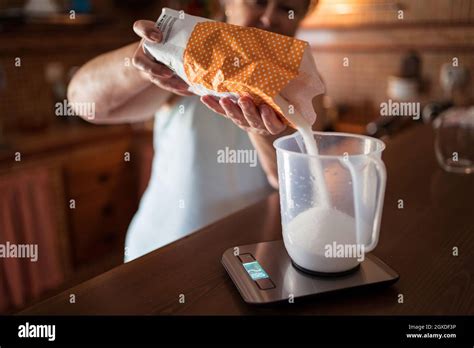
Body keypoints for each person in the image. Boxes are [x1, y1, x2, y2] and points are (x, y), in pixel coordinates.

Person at [67, 0, 323, 262]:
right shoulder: (187, 59)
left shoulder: (302, 86)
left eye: (285, 8)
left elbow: (295, 184)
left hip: (246, 256)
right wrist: (148, 55)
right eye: (257, 2)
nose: (269, 18)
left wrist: (258, 125)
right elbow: (83, 102)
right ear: (226, 4)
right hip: (162, 252)